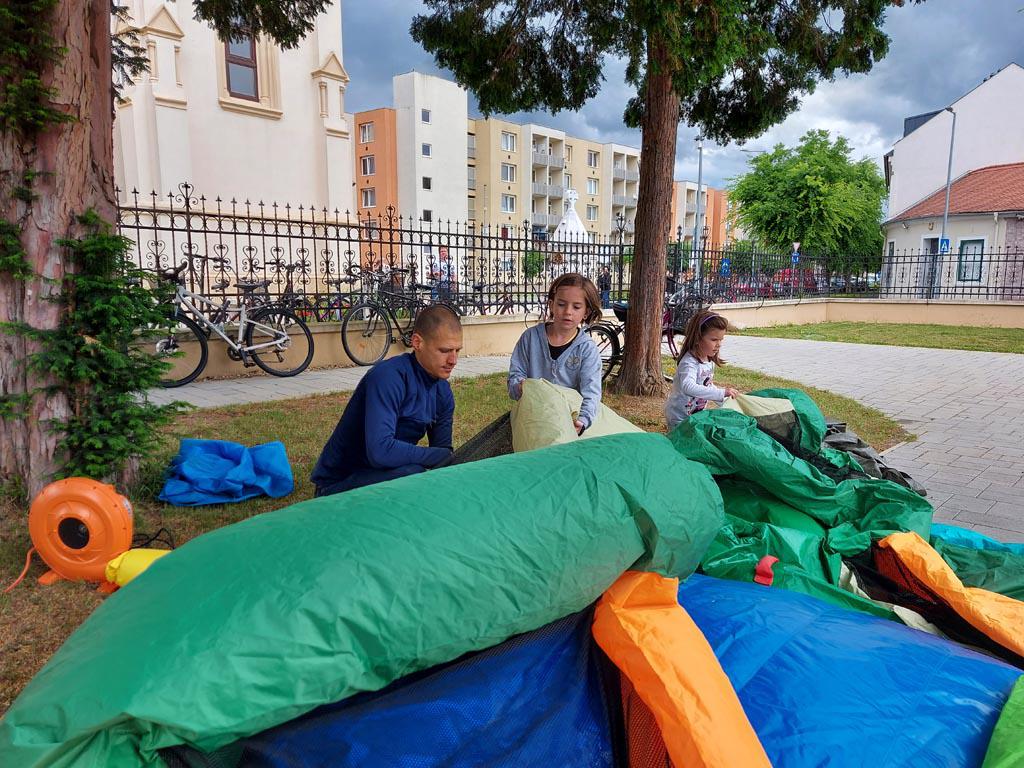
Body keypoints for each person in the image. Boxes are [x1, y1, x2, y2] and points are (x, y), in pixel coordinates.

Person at [311, 305, 463, 496]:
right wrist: (441, 456)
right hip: (338, 485)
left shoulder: (443, 392)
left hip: (389, 473)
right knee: (414, 474)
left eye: (457, 350)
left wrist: (444, 457)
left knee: (425, 478)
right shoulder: (388, 377)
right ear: (417, 342)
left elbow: (443, 458)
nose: (453, 360)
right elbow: (380, 452)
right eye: (445, 350)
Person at [508, 273, 603, 434]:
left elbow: (591, 392)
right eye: (561, 304)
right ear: (551, 305)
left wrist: (583, 420)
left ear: (586, 312)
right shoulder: (530, 338)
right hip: (532, 419)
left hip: (568, 422)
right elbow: (515, 377)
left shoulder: (587, 349)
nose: (568, 311)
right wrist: (519, 386)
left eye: (576, 307)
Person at [665, 310, 740, 431]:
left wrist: (724, 400)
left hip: (695, 416)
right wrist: (721, 393)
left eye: (721, 339)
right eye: (714, 340)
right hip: (679, 418)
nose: (719, 344)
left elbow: (707, 385)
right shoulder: (689, 363)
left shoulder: (708, 361)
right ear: (697, 338)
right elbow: (688, 386)